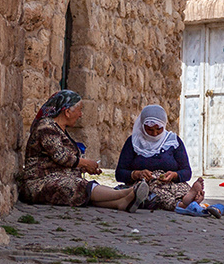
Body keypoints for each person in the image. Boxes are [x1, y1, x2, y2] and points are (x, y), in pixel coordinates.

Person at [18, 89, 149, 212]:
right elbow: (61, 157)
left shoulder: (59, 129)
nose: (81, 115)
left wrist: (83, 168)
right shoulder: (46, 128)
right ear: (67, 112)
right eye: (79, 110)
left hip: (57, 178)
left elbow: (58, 161)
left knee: (81, 190)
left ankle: (121, 203)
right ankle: (126, 193)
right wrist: (85, 163)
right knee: (77, 186)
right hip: (39, 183)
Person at [114, 104, 218, 215]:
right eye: (149, 130)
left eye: (159, 129)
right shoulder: (134, 142)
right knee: (154, 191)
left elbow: (186, 171)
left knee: (180, 188)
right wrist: (136, 174)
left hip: (172, 184)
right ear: (142, 126)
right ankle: (184, 204)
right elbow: (120, 173)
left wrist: (174, 175)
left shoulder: (173, 142)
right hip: (144, 185)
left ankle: (190, 199)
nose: (154, 133)